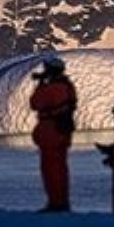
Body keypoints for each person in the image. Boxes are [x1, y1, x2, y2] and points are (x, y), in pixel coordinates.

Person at [29, 55, 78, 212]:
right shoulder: (67, 86)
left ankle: (56, 203)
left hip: (51, 131)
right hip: (62, 131)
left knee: (51, 169)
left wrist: (41, 85)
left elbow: (35, 103)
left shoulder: (52, 87)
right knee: (60, 168)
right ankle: (61, 201)